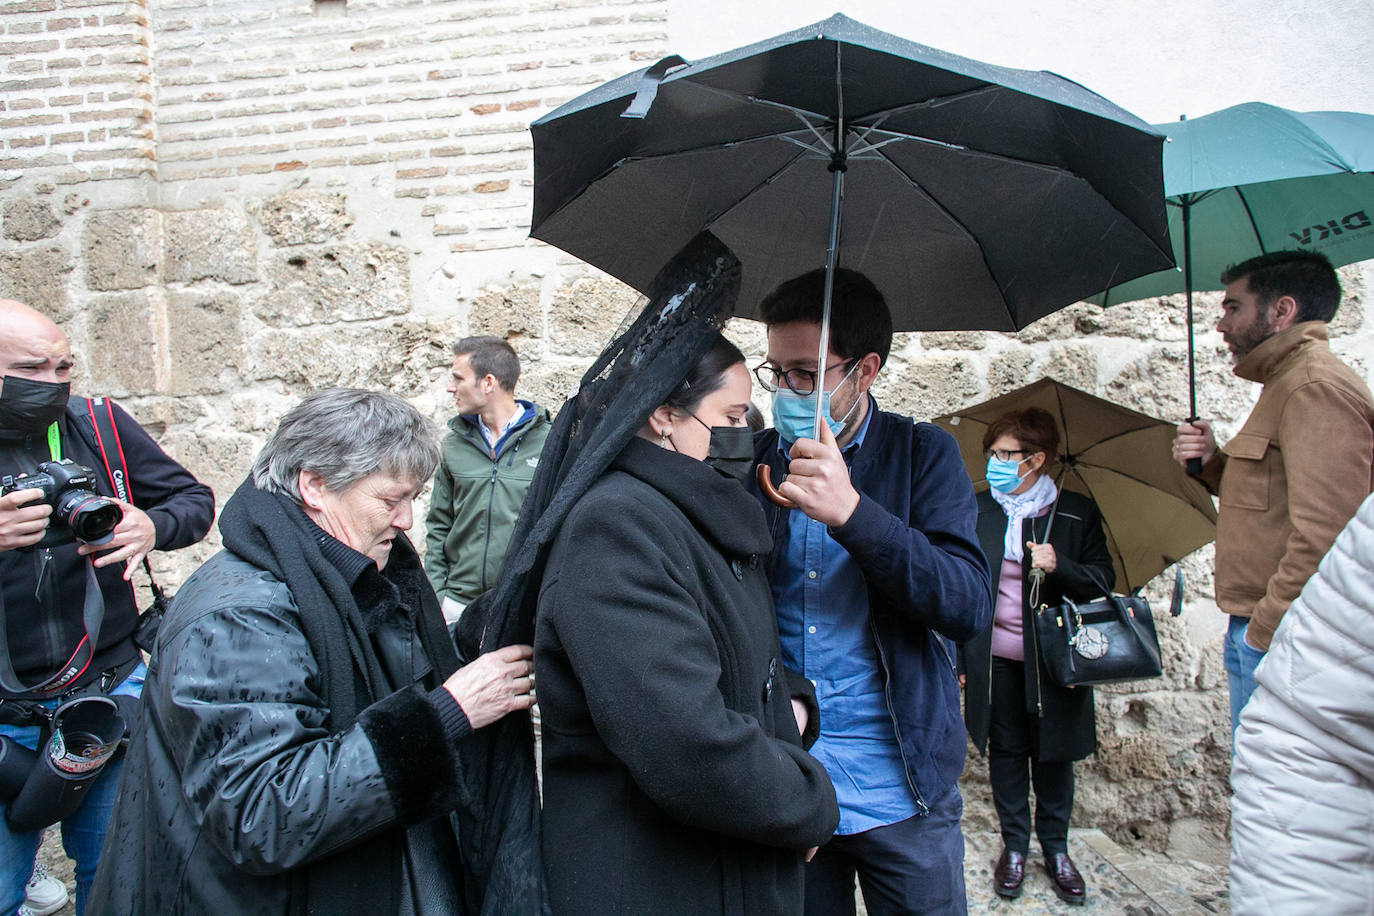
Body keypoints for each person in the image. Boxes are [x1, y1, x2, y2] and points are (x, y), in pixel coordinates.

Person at [87, 388, 536, 915]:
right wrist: (447, 715)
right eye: (391, 500)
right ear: (315, 486)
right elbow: (261, 813)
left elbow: (386, 679)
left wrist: (470, 642)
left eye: (413, 499)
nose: (407, 521)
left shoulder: (345, 571)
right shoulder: (239, 616)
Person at [535, 334, 840, 915]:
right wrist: (810, 804)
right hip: (658, 878)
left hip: (719, 862)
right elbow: (682, 743)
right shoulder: (617, 526)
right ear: (664, 415)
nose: (742, 436)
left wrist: (790, 701)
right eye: (729, 417)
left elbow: (730, 652)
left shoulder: (690, 510)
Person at [748, 268, 992, 915]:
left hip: (903, 785)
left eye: (807, 372)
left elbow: (966, 603)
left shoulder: (924, 454)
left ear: (866, 370)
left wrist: (853, 513)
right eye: (776, 372)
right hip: (792, 781)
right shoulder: (755, 462)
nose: (788, 391)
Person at [0, 299, 215, 916]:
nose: (53, 383)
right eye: (31, 369)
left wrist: (152, 524)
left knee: (124, 886)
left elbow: (192, 500)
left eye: (64, 367)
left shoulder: (96, 424)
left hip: (108, 693)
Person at [1172, 250, 1374, 734]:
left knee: (1276, 798)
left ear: (1281, 311)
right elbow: (1272, 495)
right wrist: (1211, 464)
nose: (1222, 324)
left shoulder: (1312, 386)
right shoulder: (1286, 382)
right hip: (1267, 626)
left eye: (1233, 307)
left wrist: (1266, 628)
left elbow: (1331, 533)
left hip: (1289, 632)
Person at [959, 408, 1114, 906]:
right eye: (993, 454)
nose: (996, 463)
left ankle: (1057, 849)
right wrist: (963, 661)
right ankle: (1015, 847)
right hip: (994, 661)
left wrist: (1058, 563)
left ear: (1038, 459)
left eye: (1007, 455)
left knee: (1054, 755)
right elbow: (960, 585)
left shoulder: (1072, 513)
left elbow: (1103, 583)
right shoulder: (979, 508)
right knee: (1005, 753)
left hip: (1053, 663)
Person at [1230, 492, 1374, 914]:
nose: (1018, 467)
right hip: (1289, 644)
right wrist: (1210, 466)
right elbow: (1312, 734)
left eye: (1020, 456)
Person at [425, 336, 551, 625]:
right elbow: (438, 525)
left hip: (519, 606)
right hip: (456, 605)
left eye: (458, 378)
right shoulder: (453, 446)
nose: (450, 387)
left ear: (488, 383)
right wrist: (438, 596)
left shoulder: (549, 443)